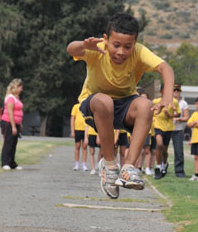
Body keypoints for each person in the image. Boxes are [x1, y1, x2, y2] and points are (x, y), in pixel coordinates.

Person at [67, 12, 174, 199]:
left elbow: (165, 68)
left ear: (135, 43)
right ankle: (109, 165)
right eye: (116, 45)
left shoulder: (139, 52)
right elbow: (71, 49)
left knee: (146, 105)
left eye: (127, 47)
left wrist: (167, 97)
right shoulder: (97, 48)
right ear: (106, 39)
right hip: (95, 105)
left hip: (124, 106)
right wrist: (84, 45)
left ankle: (128, 168)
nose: (121, 52)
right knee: (105, 101)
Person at [153, 84, 180, 180]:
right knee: (159, 144)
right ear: (161, 92)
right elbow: (152, 112)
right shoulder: (156, 101)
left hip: (168, 128)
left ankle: (165, 163)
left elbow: (178, 114)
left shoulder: (175, 102)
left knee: (164, 150)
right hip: (158, 126)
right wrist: (154, 116)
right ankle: (158, 166)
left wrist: (170, 115)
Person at [0, 78, 24, 170]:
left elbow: (18, 111)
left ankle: (12, 163)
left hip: (16, 124)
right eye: (20, 87)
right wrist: (13, 126)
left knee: (14, 143)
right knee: (8, 143)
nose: (21, 89)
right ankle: (5, 163)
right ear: (15, 87)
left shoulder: (16, 98)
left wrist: (20, 124)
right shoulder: (10, 98)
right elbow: (10, 112)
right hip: (8, 123)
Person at [171, 84, 189, 177]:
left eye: (178, 91)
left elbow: (186, 117)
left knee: (178, 151)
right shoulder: (167, 101)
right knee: (162, 149)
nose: (176, 92)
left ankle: (179, 171)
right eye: (174, 90)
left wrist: (178, 119)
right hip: (166, 128)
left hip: (178, 129)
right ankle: (161, 169)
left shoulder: (183, 103)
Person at [70, 103, 88, 171]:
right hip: (77, 129)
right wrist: (72, 131)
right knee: (77, 146)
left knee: (85, 146)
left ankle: (84, 164)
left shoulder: (87, 106)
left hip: (86, 129)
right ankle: (76, 164)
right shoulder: (76, 106)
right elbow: (72, 119)